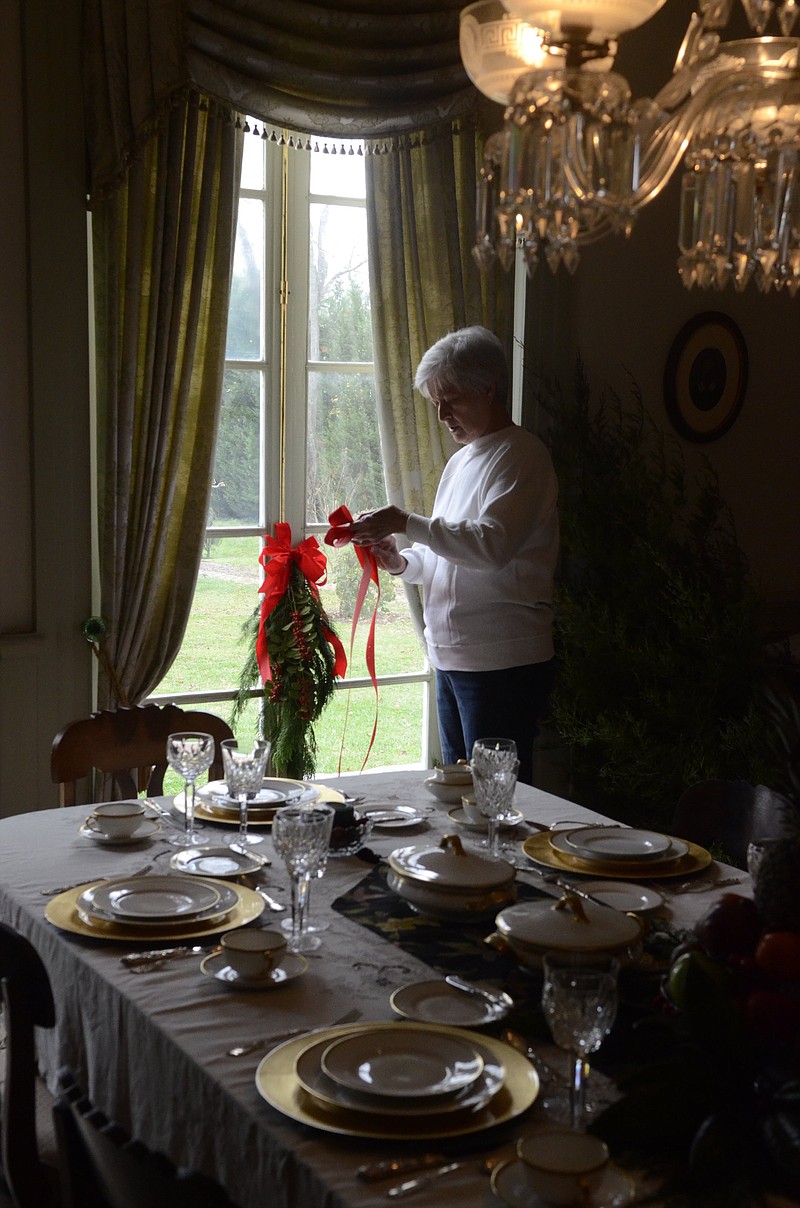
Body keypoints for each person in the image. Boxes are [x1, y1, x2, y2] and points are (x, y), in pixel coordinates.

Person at [348, 325, 559, 785]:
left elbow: (491, 546)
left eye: (452, 399)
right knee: (459, 798)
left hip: (501, 663)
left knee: (495, 804)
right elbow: (443, 556)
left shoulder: (523, 456)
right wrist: (399, 560)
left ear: (489, 388)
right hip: (453, 657)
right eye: (436, 402)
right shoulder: (461, 461)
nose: (442, 414)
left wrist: (406, 522)